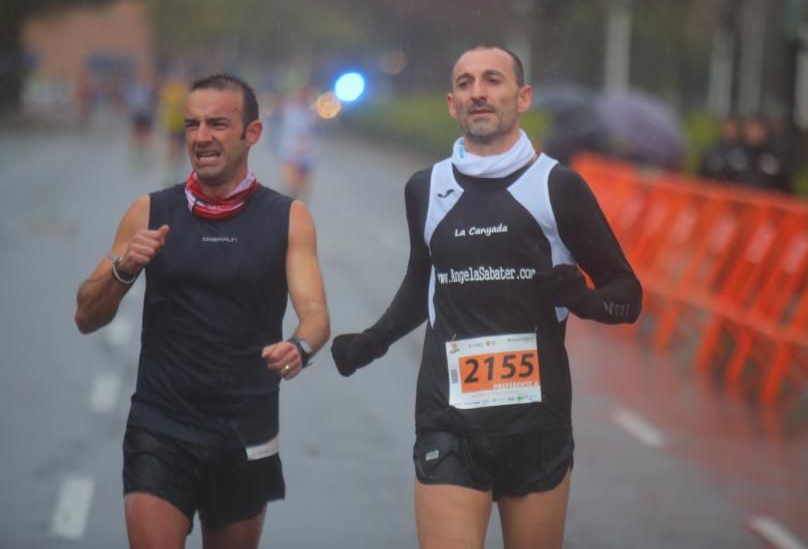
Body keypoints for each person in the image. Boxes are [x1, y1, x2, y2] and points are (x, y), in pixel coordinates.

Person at [330, 45, 642, 548]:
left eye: (493, 80)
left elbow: (628, 295)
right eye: (465, 83)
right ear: (451, 104)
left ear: (522, 98)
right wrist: (373, 341)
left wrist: (583, 299)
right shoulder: (424, 188)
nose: (478, 91)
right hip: (447, 421)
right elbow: (420, 286)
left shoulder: (558, 187)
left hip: (535, 425)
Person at [74, 74, 331, 549]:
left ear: (251, 134)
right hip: (160, 425)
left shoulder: (287, 218)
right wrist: (124, 267)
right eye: (192, 124)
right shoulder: (150, 211)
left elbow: (316, 314)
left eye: (217, 123)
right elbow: (86, 316)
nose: (201, 136)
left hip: (246, 430)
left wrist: (300, 346)